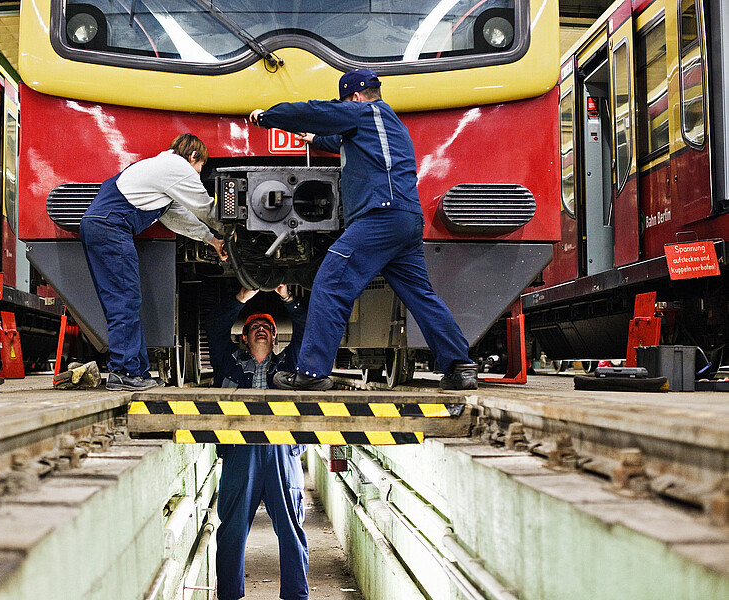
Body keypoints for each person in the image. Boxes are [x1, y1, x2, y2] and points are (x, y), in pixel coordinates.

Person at [249, 68, 478, 391]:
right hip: (404, 220)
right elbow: (348, 142)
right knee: (421, 296)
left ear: (354, 99)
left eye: (344, 104)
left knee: (330, 284)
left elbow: (315, 112)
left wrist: (269, 116)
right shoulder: (386, 123)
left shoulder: (365, 112)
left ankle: (312, 373)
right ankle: (460, 366)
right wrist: (315, 139)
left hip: (379, 218)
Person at [80, 133, 227, 391]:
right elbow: (204, 207)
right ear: (193, 156)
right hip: (110, 226)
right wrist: (230, 231)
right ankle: (122, 372)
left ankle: (137, 372)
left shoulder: (161, 172)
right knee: (124, 299)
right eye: (201, 166)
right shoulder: (176, 167)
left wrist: (212, 240)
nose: (199, 173)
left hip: (105, 226)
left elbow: (177, 218)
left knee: (128, 299)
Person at [206, 285, 309, 600]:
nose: (261, 329)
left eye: (267, 327)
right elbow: (215, 325)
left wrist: (287, 298)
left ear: (276, 338)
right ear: (245, 337)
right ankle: (229, 595)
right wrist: (243, 296)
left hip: (283, 452)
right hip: (240, 451)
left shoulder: (291, 366)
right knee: (232, 532)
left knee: (292, 532)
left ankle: (296, 595)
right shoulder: (228, 362)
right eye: (254, 327)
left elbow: (309, 327)